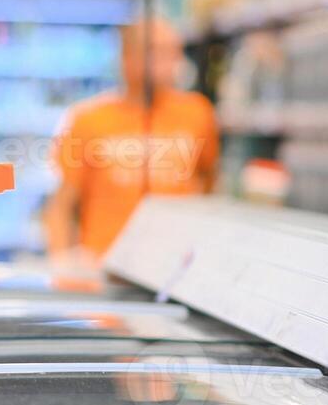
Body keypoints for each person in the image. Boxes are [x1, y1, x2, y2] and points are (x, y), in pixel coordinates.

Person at [44, 18, 219, 261]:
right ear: (127, 57)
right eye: (157, 52)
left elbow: (209, 184)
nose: (170, 62)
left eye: (174, 52)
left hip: (173, 264)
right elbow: (61, 206)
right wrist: (62, 262)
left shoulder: (198, 113)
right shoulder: (88, 119)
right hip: (102, 264)